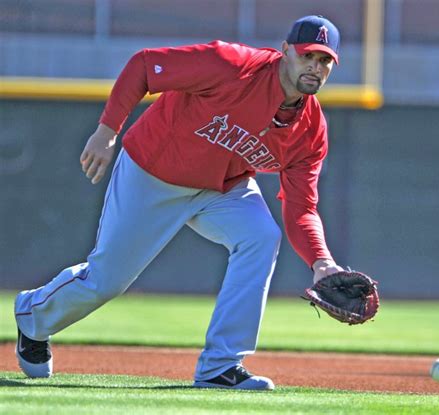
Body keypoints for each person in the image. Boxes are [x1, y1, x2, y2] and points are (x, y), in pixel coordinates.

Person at [15, 15, 344, 390]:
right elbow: (144, 65)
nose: (315, 68)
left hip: (223, 188)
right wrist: (107, 130)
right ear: (285, 51)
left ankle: (221, 365)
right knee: (106, 280)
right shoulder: (230, 64)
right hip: (154, 173)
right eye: (307, 56)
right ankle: (33, 314)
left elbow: (301, 208)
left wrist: (322, 262)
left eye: (325, 61)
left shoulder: (311, 131)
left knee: (261, 237)